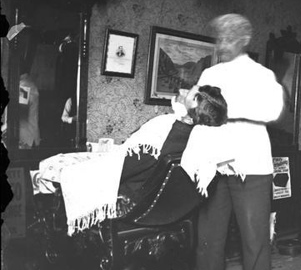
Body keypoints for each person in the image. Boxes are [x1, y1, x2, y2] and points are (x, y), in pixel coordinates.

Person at [188, 14, 284, 270]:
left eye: (230, 38)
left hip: (251, 167)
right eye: (219, 38)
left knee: (255, 241)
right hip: (215, 167)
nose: (223, 44)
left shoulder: (261, 74)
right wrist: (191, 104)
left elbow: (272, 110)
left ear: (244, 40)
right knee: (208, 239)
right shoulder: (209, 72)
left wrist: (227, 107)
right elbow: (199, 109)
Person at [46, 85, 227, 236]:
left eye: (189, 92)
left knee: (57, 172)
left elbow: (129, 167)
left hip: (134, 201)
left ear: (192, 108)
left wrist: (95, 167)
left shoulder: (165, 130)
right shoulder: (197, 139)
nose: (181, 89)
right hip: (167, 209)